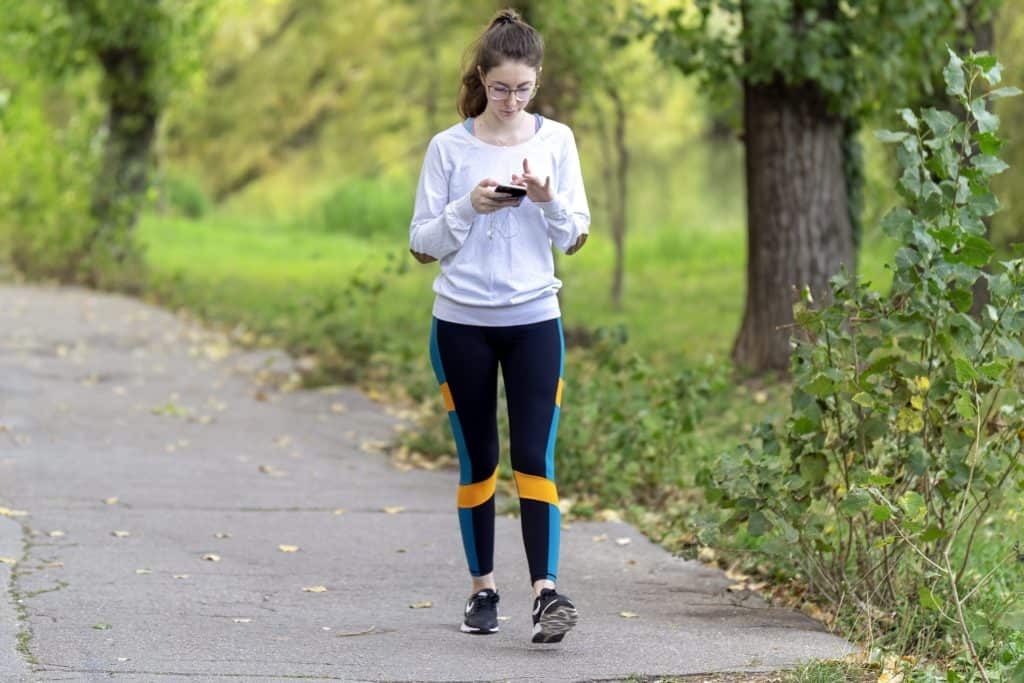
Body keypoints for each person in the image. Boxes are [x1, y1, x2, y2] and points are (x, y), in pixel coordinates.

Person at [408, 8, 589, 644]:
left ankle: (546, 593)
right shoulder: (448, 147)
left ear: (538, 82)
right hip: (460, 324)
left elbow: (575, 236)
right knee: (478, 458)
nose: (512, 100)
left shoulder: (556, 141)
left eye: (524, 88)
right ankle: (482, 589)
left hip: (536, 319)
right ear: (481, 79)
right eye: (500, 87)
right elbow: (421, 244)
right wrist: (469, 206)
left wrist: (545, 197)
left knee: (534, 455)